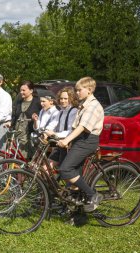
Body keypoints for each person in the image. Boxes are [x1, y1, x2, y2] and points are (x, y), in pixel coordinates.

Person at [56, 77, 104, 213]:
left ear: (89, 90)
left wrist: (66, 140)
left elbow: (82, 127)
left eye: (79, 90)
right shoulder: (84, 104)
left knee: (65, 169)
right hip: (80, 140)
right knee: (74, 175)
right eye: (76, 90)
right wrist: (65, 139)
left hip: (87, 140)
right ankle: (77, 213)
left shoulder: (93, 105)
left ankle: (92, 194)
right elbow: (75, 127)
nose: (77, 93)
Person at [45, 87, 78, 166]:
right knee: (48, 165)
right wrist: (46, 132)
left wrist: (55, 134)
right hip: (59, 143)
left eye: (66, 98)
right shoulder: (61, 112)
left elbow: (70, 131)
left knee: (63, 169)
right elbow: (52, 124)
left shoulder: (73, 111)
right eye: (61, 98)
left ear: (71, 98)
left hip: (68, 145)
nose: (63, 101)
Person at [10, 81, 41, 159]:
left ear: (31, 91)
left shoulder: (38, 103)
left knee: (26, 160)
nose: (21, 92)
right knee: (15, 158)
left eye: (24, 90)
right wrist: (10, 123)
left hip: (29, 138)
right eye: (20, 90)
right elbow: (14, 116)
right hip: (17, 136)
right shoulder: (18, 102)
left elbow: (40, 121)